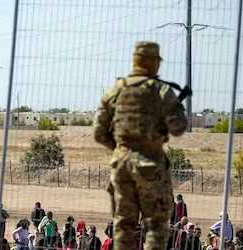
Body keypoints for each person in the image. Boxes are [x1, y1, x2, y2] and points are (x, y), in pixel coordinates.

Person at [94, 41, 188, 250]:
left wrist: (121, 148)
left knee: (124, 225)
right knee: (155, 225)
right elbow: (179, 128)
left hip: (121, 165)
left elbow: (99, 133)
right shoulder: (161, 91)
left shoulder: (116, 90)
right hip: (150, 165)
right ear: (154, 62)